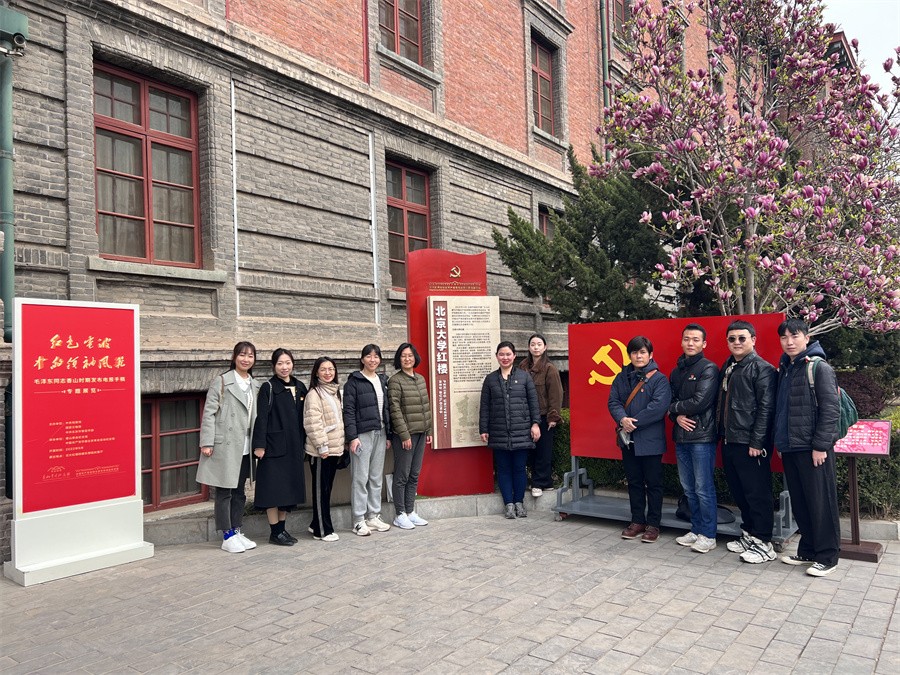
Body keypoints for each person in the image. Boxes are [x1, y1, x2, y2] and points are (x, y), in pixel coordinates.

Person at [774, 319, 841, 577]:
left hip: (813, 448)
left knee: (821, 503)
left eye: (795, 336)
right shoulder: (787, 368)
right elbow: (783, 410)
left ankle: (828, 556)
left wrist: (821, 445)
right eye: (784, 337)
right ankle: (808, 550)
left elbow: (830, 410)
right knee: (801, 503)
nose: (789, 342)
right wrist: (781, 442)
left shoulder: (819, 367)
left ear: (806, 337)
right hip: (791, 446)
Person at [716, 320, 777, 563]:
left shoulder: (763, 369)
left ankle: (764, 542)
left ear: (753, 340)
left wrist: (757, 442)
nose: (737, 342)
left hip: (750, 444)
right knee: (740, 492)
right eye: (732, 339)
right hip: (730, 440)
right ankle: (749, 534)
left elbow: (766, 409)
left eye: (742, 338)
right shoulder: (729, 366)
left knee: (757, 493)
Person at [197, 341, 261, 553]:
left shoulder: (255, 385)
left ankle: (236, 529)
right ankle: (226, 535)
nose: (246, 359)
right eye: (242, 355)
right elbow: (209, 413)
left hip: (245, 445)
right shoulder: (223, 381)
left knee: (240, 491)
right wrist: (207, 442)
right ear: (234, 357)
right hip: (225, 444)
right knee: (224, 491)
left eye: (250, 356)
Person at [607, 336, 672, 543]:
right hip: (628, 440)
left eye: (642, 352)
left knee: (653, 483)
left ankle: (653, 525)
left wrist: (632, 423)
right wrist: (622, 419)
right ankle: (637, 521)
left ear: (650, 354)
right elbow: (613, 401)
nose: (638, 356)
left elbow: (658, 408)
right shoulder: (621, 377)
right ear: (630, 355)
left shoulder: (659, 379)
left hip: (650, 440)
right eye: (634, 352)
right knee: (634, 482)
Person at [669, 324, 720, 553]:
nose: (690, 343)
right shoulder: (676, 371)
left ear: (704, 344)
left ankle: (708, 535)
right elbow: (668, 401)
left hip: (702, 437)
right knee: (689, 488)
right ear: (681, 341)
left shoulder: (709, 368)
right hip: (681, 437)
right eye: (687, 339)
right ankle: (696, 529)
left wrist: (674, 409)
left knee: (703, 488)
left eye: (696, 339)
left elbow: (700, 401)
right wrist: (676, 416)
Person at [251, 348, 308, 546]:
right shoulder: (268, 387)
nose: (284, 367)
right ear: (273, 366)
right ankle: (275, 532)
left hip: (294, 446)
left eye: (288, 363)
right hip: (273, 448)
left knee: (288, 491)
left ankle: (282, 530)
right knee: (273, 490)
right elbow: (261, 418)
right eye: (280, 363)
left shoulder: (300, 387)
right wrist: (259, 445)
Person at [480, 341, 541, 519]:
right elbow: (485, 407)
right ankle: (508, 504)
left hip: (521, 431)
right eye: (501, 354)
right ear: (496, 356)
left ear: (514, 356)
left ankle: (519, 502)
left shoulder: (524, 377)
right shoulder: (490, 379)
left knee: (520, 468)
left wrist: (535, 423)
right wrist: (484, 429)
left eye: (508, 354)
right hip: (498, 431)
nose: (505, 358)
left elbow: (533, 403)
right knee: (504, 469)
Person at [344, 344, 392, 536]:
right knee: (360, 478)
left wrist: (388, 434)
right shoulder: (353, 382)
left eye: (376, 356)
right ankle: (358, 520)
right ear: (362, 359)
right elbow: (348, 411)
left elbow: (386, 409)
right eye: (369, 356)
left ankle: (373, 516)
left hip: (380, 432)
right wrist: (352, 437)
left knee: (375, 477)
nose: (373, 360)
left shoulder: (382, 380)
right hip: (362, 435)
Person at [388, 343, 433, 530]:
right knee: (402, 475)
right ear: (399, 359)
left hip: (421, 432)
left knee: (414, 474)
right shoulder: (395, 381)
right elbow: (395, 410)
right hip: (405, 436)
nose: (407, 359)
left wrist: (429, 430)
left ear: (415, 358)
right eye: (403, 356)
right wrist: (404, 434)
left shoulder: (420, 379)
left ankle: (410, 511)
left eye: (410, 355)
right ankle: (399, 514)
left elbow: (425, 406)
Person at [304, 357, 345, 543]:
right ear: (316, 372)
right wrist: (322, 446)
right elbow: (313, 423)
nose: (328, 373)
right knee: (321, 491)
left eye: (331, 369)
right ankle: (322, 530)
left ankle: (315, 523)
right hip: (322, 451)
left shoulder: (334, 392)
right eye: (323, 369)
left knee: (326, 490)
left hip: (334, 448)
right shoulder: (314, 394)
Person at [518, 333, 564, 498]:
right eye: (533, 344)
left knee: (543, 451)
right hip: (526, 415)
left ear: (545, 348)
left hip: (544, 415)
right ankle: (543, 482)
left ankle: (539, 483)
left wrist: (553, 416)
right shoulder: (522, 366)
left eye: (539, 344)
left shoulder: (550, 368)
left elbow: (556, 394)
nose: (536, 347)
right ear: (528, 347)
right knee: (529, 450)